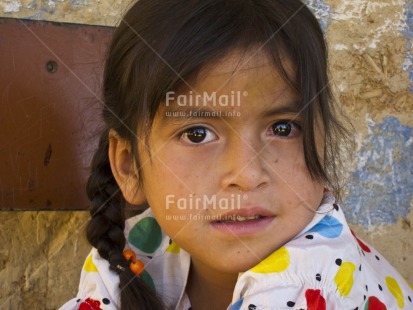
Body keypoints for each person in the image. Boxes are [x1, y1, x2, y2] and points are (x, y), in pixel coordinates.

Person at [60, 0, 413, 309]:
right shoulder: (136, 255)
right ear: (129, 166)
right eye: (197, 134)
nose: (245, 174)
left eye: (283, 129)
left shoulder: (313, 286)